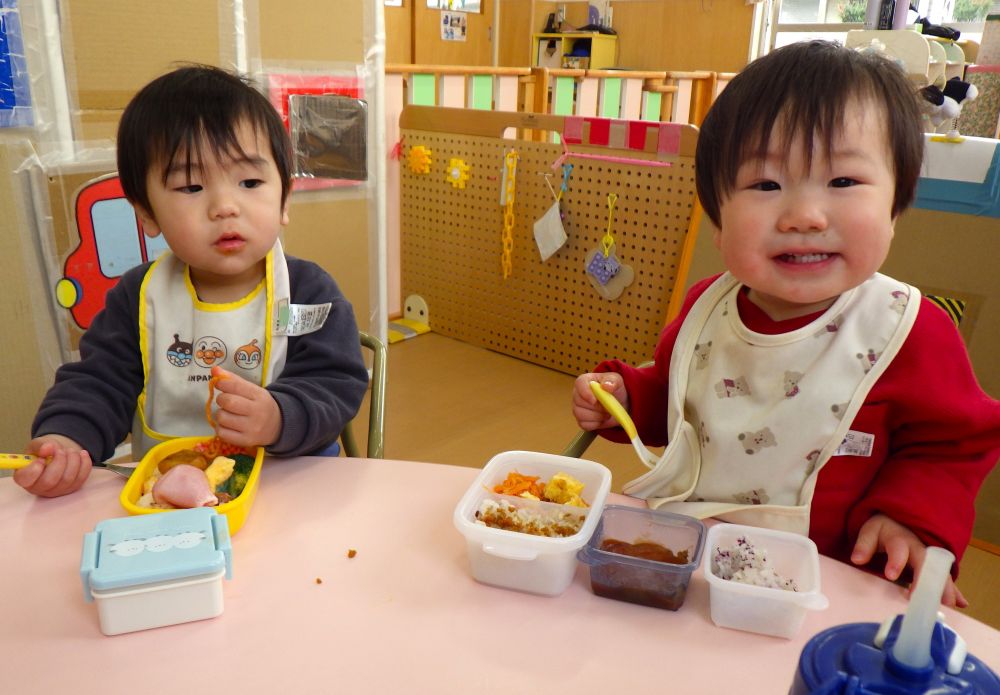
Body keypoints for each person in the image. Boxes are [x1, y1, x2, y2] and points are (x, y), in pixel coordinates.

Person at [572, 41, 1000, 607]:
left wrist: (911, 521)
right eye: (766, 185)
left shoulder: (910, 330)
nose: (805, 216)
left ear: (896, 207)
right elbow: (682, 403)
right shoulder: (706, 306)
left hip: (827, 582)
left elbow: (949, 448)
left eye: (843, 182)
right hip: (690, 562)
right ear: (718, 222)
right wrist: (626, 397)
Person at [16, 65, 369, 498]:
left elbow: (335, 382)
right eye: (191, 186)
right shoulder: (139, 298)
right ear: (146, 214)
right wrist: (69, 439)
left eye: (250, 181)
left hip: (292, 484)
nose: (224, 206)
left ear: (283, 200)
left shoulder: (308, 292)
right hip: (170, 492)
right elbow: (98, 382)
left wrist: (280, 416)